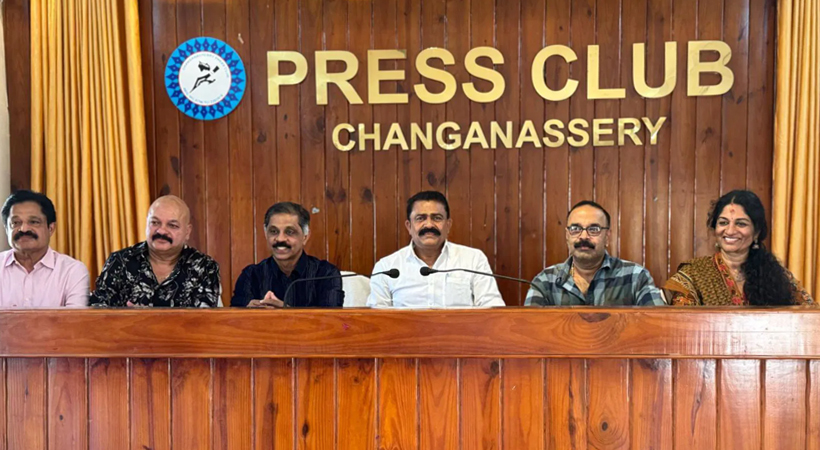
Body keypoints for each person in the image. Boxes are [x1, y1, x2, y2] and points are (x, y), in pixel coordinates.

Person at [664, 190, 813, 306]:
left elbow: (809, 315)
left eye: (741, 224)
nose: (730, 231)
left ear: (756, 232)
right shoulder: (694, 274)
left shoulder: (777, 275)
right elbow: (682, 323)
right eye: (723, 223)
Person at [368, 191, 504, 308]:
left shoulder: (473, 260)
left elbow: (493, 310)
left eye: (437, 218)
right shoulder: (386, 268)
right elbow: (375, 319)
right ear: (409, 226)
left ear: (448, 225)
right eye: (420, 218)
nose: (429, 225)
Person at [90, 195, 221, 307]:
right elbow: (98, 311)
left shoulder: (204, 267)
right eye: (155, 223)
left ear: (187, 232)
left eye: (172, 225)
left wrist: (147, 320)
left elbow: (205, 320)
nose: (162, 231)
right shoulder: (120, 261)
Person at [526, 200, 664, 306]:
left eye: (594, 229)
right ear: (567, 235)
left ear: (607, 237)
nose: (583, 236)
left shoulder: (635, 277)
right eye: (575, 229)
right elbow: (529, 331)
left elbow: (657, 324)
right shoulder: (545, 281)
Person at [232, 202, 344, 308]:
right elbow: (233, 319)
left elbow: (331, 319)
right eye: (274, 231)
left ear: (305, 236)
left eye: (289, 232)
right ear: (266, 234)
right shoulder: (251, 275)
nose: (280, 239)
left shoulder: (326, 274)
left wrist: (285, 313)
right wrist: (249, 312)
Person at [0, 190, 89, 308]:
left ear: (51, 229)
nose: (24, 229)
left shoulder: (72, 271)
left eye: (34, 222)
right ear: (7, 229)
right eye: (15, 222)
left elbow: (74, 318)